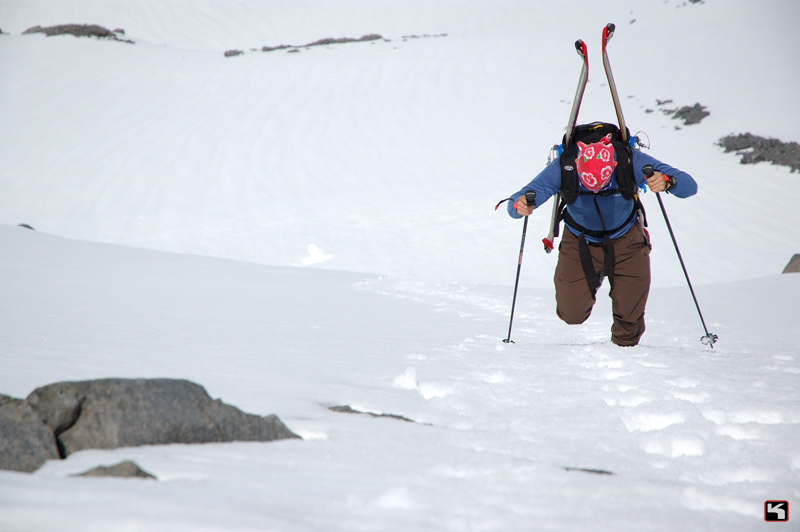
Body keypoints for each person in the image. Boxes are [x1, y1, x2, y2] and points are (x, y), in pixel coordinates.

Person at [507, 127, 697, 346]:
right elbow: (516, 202)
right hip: (579, 241)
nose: (596, 190)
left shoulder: (630, 161)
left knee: (629, 323)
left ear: (614, 165)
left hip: (627, 241)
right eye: (588, 184)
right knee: (571, 314)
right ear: (577, 165)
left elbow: (689, 186)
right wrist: (520, 206)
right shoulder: (563, 167)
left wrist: (668, 181)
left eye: (602, 184)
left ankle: (624, 358)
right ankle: (590, 279)